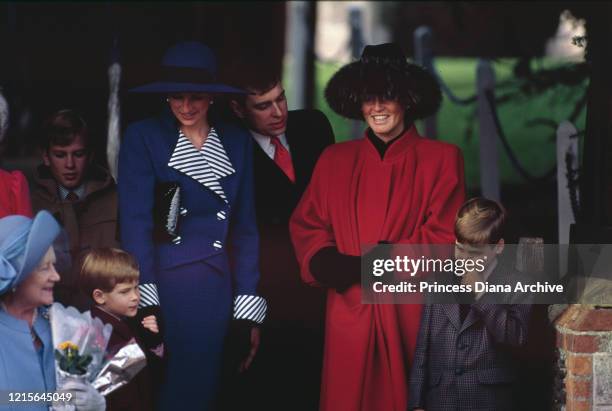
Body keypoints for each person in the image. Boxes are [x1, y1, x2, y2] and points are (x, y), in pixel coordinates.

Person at [289, 43, 466, 411]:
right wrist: (328, 262)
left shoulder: (442, 160)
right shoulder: (335, 160)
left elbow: (443, 239)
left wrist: (369, 265)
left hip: (408, 312)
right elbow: (309, 224)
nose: (378, 108)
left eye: (388, 97)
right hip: (348, 311)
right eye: (369, 98)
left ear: (408, 99)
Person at [118, 41, 266, 410]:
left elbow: (246, 228)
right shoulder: (143, 137)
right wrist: (145, 302)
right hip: (168, 286)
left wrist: (246, 307)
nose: (185, 107)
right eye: (176, 97)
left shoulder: (235, 140)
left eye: (196, 97)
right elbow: (136, 225)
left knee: (216, 390)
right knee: (173, 391)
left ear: (212, 96)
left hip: (220, 286)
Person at [220, 60, 334, 410]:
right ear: (238, 109)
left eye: (281, 99)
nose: (278, 112)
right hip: (268, 290)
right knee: (270, 389)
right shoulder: (226, 150)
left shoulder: (313, 126)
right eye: (263, 105)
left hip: (322, 280)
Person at [409, 197, 533, 411]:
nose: (464, 259)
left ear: (499, 247)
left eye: (474, 253)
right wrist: (416, 403)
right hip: (441, 400)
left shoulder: (519, 283)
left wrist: (482, 295)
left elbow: (516, 338)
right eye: (459, 249)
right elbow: (423, 348)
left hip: (489, 401)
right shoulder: (437, 280)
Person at [0, 210, 105, 411]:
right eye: (45, 268)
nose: (56, 276)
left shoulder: (64, 324)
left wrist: (94, 403)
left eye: (54, 266)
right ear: (18, 277)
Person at [31, 109, 118, 310]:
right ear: (46, 157)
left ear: (90, 155)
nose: (70, 164)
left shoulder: (117, 200)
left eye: (78, 154)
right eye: (60, 155)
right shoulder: (30, 204)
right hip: (49, 317)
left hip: (108, 317)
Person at [79, 247, 164, 411]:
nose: (135, 297)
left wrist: (153, 340)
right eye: (125, 291)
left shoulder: (126, 323)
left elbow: (147, 376)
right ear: (99, 296)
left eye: (136, 287)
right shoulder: (100, 337)